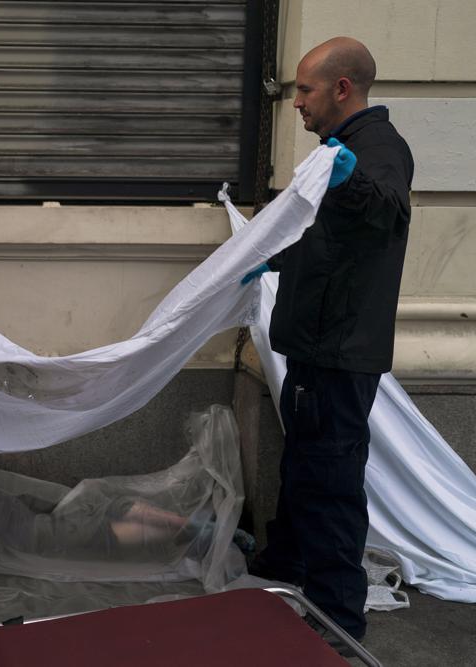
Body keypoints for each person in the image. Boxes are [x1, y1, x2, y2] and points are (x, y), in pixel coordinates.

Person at [245, 37, 414, 650]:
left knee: (331, 482)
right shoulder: (336, 151)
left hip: (339, 353)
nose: (297, 103)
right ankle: (285, 568)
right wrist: (268, 258)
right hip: (316, 348)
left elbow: (386, 211)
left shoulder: (377, 149)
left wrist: (346, 181)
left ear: (343, 89)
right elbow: (328, 243)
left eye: (306, 90)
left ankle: (340, 623)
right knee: (304, 468)